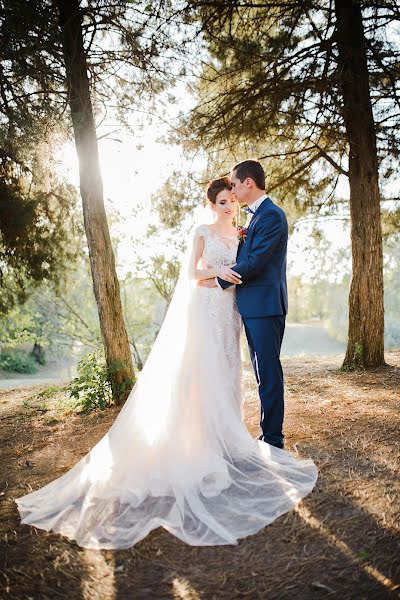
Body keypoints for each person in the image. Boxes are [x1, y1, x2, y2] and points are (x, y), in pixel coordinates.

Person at [15, 176, 317, 550]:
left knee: (228, 374)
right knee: (203, 376)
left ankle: (228, 437)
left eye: (231, 200)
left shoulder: (243, 231)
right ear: (212, 205)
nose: (229, 205)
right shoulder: (202, 231)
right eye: (222, 201)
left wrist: (229, 278)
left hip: (232, 313)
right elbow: (193, 274)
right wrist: (219, 274)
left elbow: (252, 263)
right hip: (209, 309)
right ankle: (200, 443)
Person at [200, 159, 288, 449]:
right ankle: (267, 434)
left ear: (248, 182)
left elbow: (255, 262)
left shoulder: (272, 216)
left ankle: (273, 439)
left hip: (265, 306)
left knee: (269, 373)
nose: (234, 193)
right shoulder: (254, 217)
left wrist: (218, 281)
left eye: (236, 185)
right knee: (262, 373)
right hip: (250, 307)